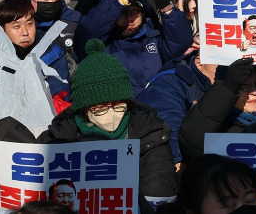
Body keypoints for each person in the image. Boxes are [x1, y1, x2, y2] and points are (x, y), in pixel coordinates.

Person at [38, 38, 178, 212]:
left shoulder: (151, 133)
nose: (112, 114)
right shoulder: (58, 136)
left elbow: (159, 185)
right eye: (100, 109)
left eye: (119, 105)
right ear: (84, 109)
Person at [74, 0, 193, 100]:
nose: (130, 18)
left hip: (154, 107)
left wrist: (165, 5)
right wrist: (121, 2)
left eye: (135, 12)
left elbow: (180, 44)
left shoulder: (153, 35)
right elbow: (90, 28)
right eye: (123, 12)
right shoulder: (98, 42)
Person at [0, 0, 71, 124]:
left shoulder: (52, 53)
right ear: (1, 29)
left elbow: (61, 98)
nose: (25, 32)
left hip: (45, 131)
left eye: (29, 24)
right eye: (16, 26)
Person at [179, 58, 256, 164]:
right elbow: (191, 140)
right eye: (243, 86)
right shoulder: (215, 130)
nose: (254, 91)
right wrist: (227, 87)